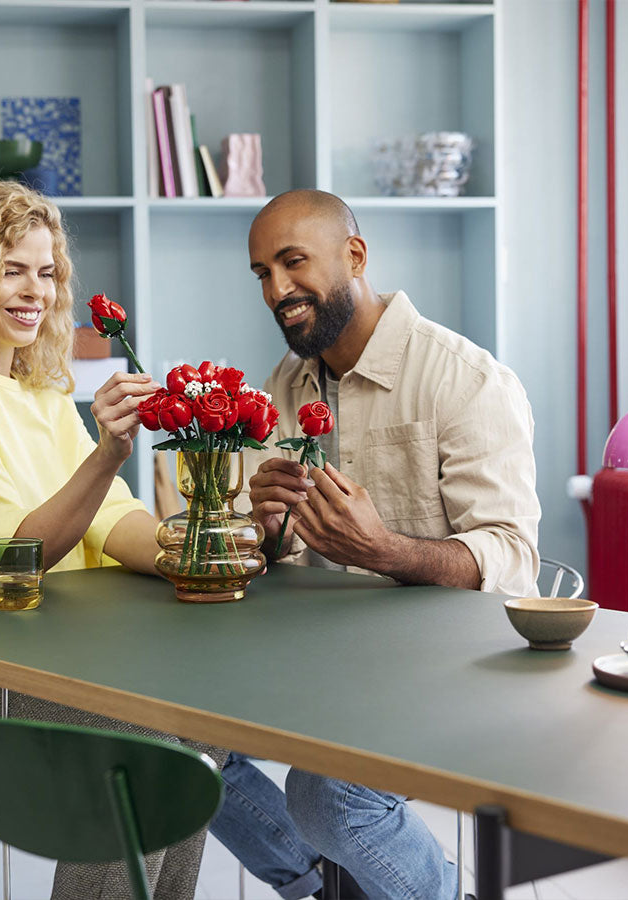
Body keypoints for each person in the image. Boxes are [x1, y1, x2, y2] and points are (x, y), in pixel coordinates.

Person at [0, 181, 224, 900]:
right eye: (11, 268)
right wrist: (107, 452)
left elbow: (116, 523)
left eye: (48, 272)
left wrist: (212, 548)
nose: (37, 291)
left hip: (34, 676)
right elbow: (14, 560)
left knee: (195, 732)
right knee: (139, 749)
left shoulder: (44, 397)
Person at [210, 189, 542, 900]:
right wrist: (264, 531)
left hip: (451, 669)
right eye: (262, 273)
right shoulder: (286, 383)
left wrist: (387, 550)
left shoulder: (467, 380)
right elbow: (282, 558)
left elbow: (513, 560)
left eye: (293, 263)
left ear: (354, 256)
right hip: (322, 658)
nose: (277, 290)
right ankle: (319, 887)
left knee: (330, 799)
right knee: (175, 738)